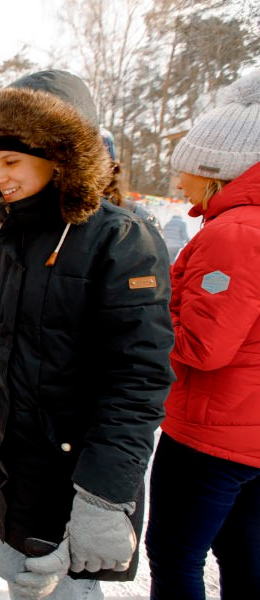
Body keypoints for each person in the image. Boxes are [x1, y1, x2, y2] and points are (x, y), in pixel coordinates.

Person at [0, 70, 174, 599]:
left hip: (76, 483)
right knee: (18, 580)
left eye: (11, 162)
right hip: (9, 463)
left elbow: (138, 381)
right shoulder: (7, 235)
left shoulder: (122, 239)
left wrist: (104, 500)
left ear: (59, 153)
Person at [145, 70, 260, 600]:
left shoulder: (232, 233)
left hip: (212, 435)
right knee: (245, 557)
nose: (176, 183)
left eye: (184, 170)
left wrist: (144, 317)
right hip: (248, 429)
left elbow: (204, 346)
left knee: (175, 557)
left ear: (215, 171)